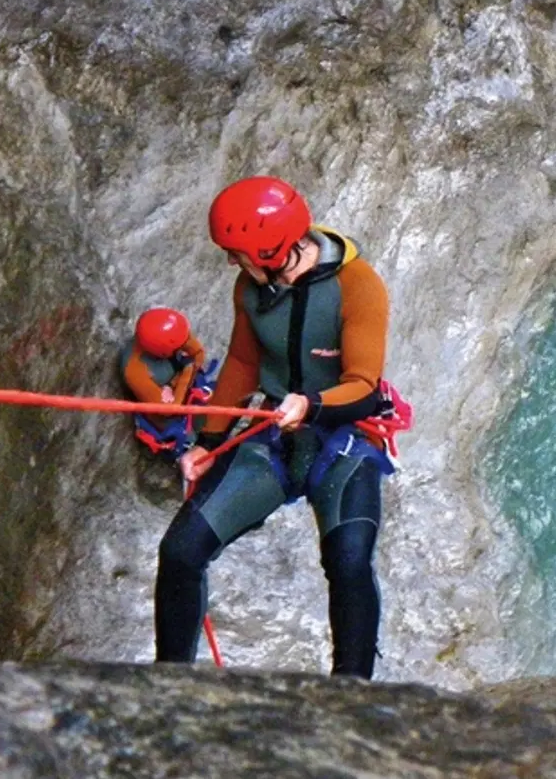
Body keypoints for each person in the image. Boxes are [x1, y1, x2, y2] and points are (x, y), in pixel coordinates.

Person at [155, 175, 405, 678]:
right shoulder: (251, 287)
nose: (231, 262)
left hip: (344, 436)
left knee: (349, 561)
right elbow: (243, 364)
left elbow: (363, 383)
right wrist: (207, 441)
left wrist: (310, 404)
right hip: (272, 432)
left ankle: (351, 693)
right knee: (180, 551)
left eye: (237, 251)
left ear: (271, 248)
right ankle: (167, 683)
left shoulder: (358, 286)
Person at [121, 308, 213, 457]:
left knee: (211, 416)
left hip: (177, 388)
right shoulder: (135, 371)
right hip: (164, 414)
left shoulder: (175, 334)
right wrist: (187, 371)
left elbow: (198, 353)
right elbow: (170, 409)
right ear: (162, 351)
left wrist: (173, 384)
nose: (187, 341)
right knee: (189, 440)